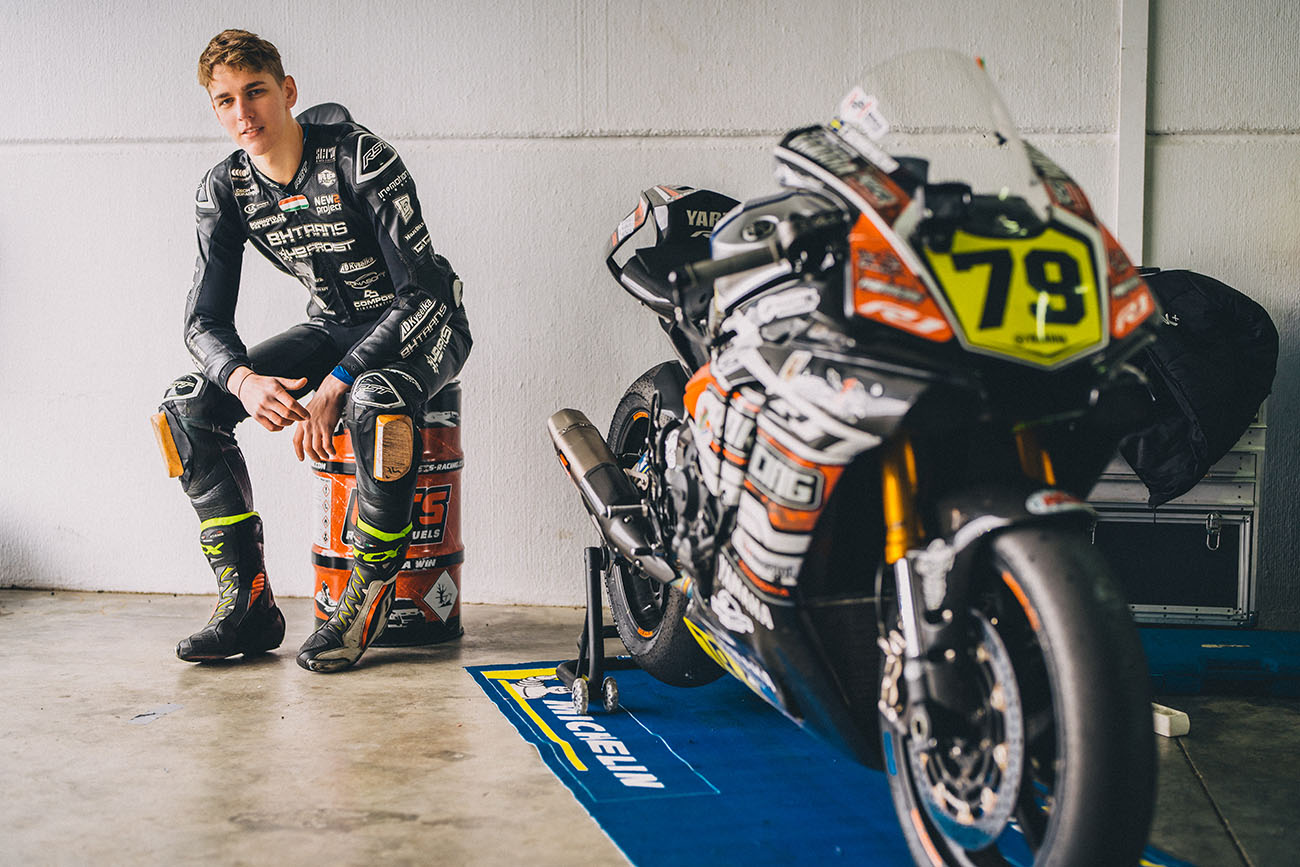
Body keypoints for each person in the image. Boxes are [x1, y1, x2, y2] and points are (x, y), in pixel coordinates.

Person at [152, 29, 471, 672]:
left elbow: (421, 290)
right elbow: (202, 321)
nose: (243, 113)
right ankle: (248, 605)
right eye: (225, 101)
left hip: (423, 323)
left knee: (377, 399)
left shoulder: (361, 158)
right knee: (185, 409)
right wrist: (243, 381)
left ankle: (366, 600)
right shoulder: (225, 188)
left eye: (256, 92)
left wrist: (340, 380)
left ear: (288, 91)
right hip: (332, 327)